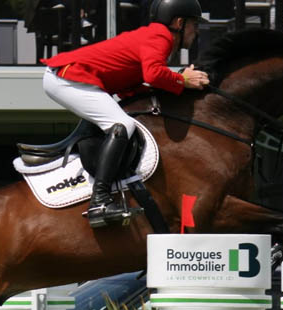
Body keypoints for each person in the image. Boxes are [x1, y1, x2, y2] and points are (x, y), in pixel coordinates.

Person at [40, 0, 210, 228]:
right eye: (194, 24)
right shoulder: (162, 37)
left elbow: (138, 82)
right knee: (122, 125)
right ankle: (99, 201)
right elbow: (153, 74)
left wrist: (177, 82)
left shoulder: (155, 36)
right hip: (68, 78)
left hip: (69, 78)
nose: (196, 31)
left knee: (120, 122)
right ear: (179, 22)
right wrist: (183, 80)